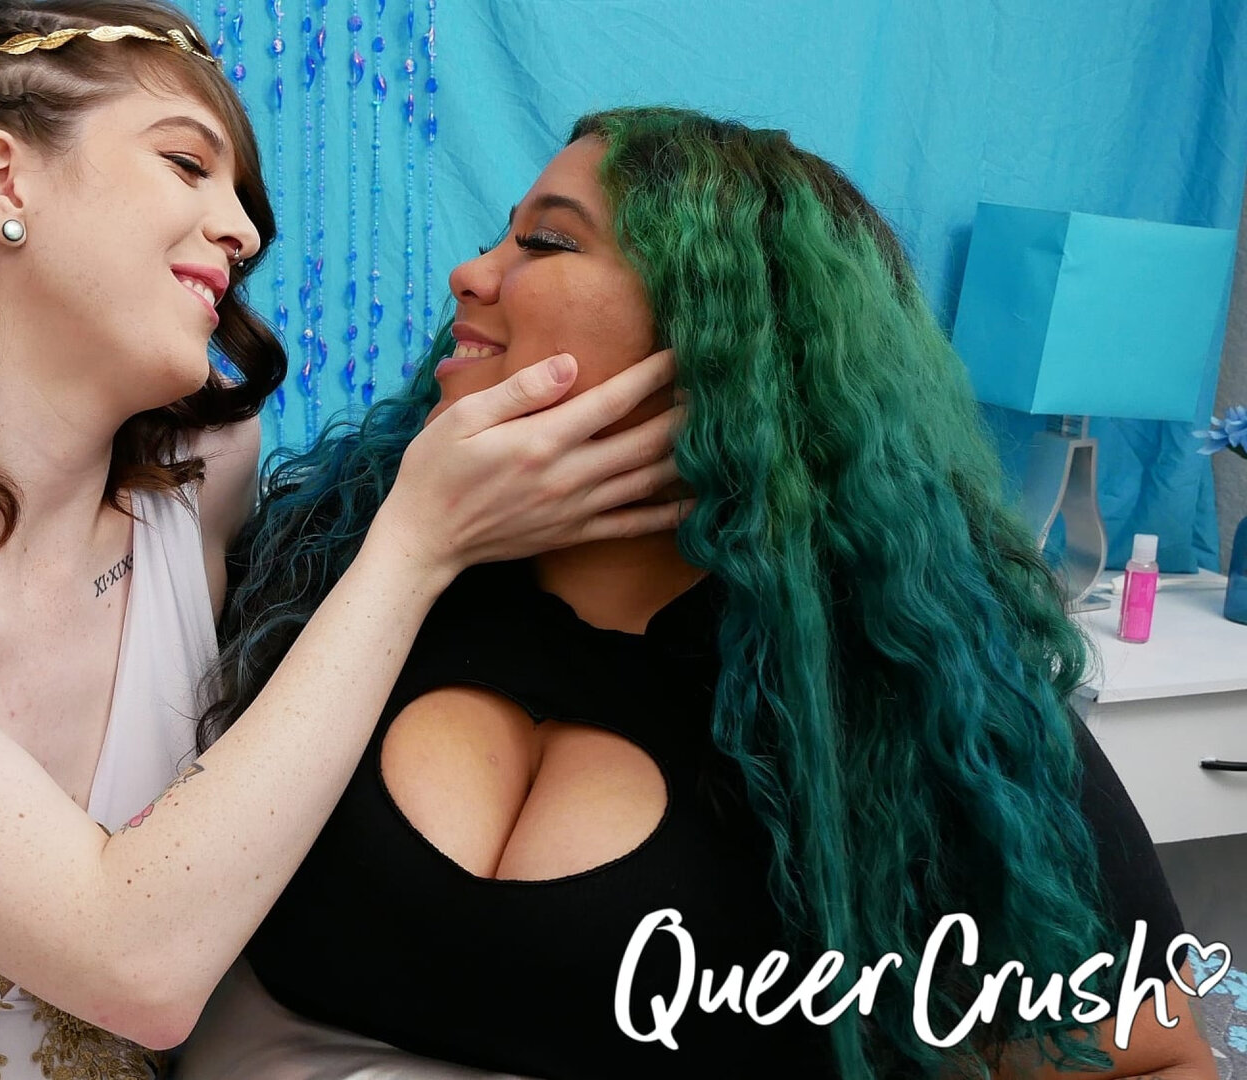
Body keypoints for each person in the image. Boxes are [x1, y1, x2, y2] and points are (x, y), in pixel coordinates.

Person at [0, 3, 687, 1077]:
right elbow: (138, 968)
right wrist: (416, 546)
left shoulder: (203, 487)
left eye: (243, 196)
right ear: (4, 181)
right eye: (187, 164)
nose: (244, 232)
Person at [178, 107, 1218, 1080]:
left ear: (724, 331)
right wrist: (411, 548)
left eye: (546, 242)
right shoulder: (325, 568)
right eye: (500, 237)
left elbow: (1157, 1058)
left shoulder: (909, 692)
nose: (470, 273)